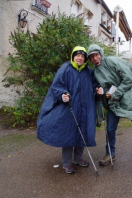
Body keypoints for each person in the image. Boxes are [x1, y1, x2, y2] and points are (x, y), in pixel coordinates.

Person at [87, 44, 132, 166]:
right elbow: (102, 86)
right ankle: (110, 153)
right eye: (92, 57)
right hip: (114, 102)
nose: (95, 58)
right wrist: (101, 91)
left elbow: (128, 78)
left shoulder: (113, 61)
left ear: (101, 53)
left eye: (96, 55)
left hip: (128, 97)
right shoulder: (96, 72)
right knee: (110, 129)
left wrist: (115, 94)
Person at [37, 46, 98, 174]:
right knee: (69, 133)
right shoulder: (66, 69)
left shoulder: (88, 71)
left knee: (83, 132)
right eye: (77, 55)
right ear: (73, 56)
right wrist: (62, 95)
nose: (80, 58)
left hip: (85, 108)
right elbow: (57, 86)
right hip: (70, 108)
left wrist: (98, 89)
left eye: (82, 56)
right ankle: (66, 163)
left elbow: (94, 85)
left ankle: (78, 158)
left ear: (85, 58)